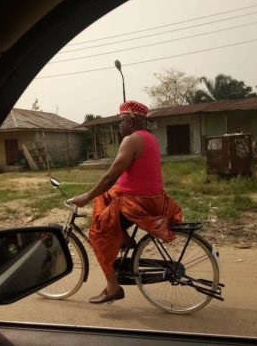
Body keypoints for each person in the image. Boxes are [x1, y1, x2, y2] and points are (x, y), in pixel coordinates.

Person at [71, 100, 182, 304]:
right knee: (103, 197)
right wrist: (95, 194)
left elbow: (109, 177)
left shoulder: (131, 140)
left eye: (121, 121)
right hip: (153, 198)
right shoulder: (150, 138)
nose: (119, 126)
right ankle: (123, 237)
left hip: (138, 202)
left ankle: (113, 288)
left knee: (96, 235)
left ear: (130, 121)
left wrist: (84, 197)